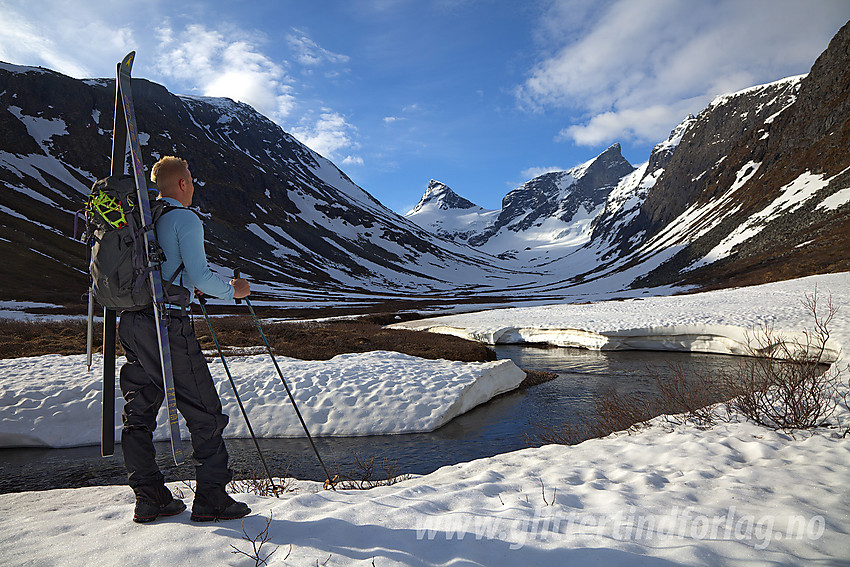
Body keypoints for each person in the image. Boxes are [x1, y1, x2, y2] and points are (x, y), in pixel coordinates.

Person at [117, 155, 251, 523]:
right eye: (190, 179)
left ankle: (149, 497)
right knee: (204, 412)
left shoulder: (145, 220)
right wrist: (233, 291)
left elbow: (164, 269)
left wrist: (189, 287)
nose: (192, 185)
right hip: (168, 326)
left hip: (131, 322)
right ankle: (211, 499)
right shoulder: (184, 219)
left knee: (139, 411)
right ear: (181, 184)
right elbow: (200, 275)